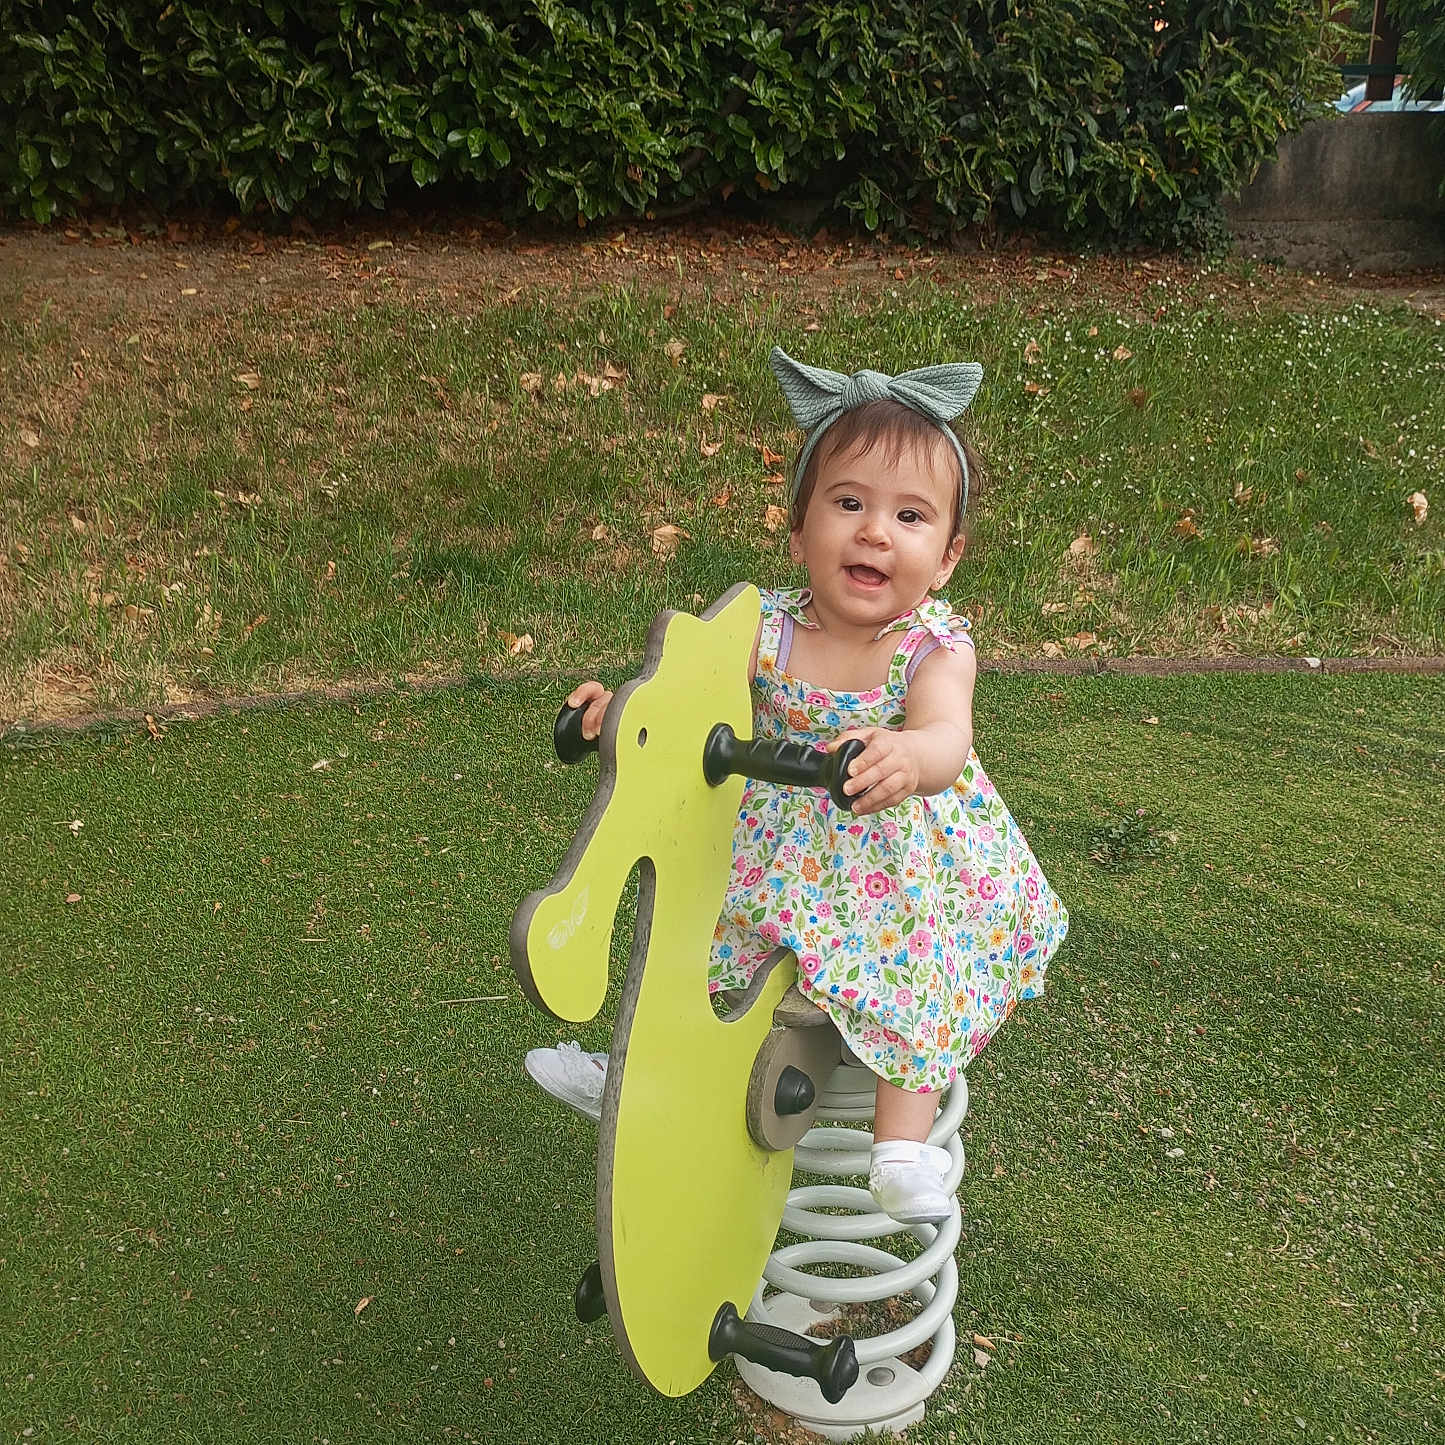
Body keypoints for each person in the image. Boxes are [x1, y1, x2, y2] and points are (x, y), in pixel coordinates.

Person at [525, 347, 1068, 1224]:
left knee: (918, 963)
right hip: (776, 846)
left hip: (902, 853)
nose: (874, 532)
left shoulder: (932, 644)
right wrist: (619, 709)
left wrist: (909, 756)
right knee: (695, 946)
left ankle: (899, 1143)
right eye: (847, 503)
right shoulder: (767, 627)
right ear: (797, 533)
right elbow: (685, 687)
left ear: (948, 557)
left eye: (909, 515)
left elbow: (946, 731)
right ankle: (639, 1082)